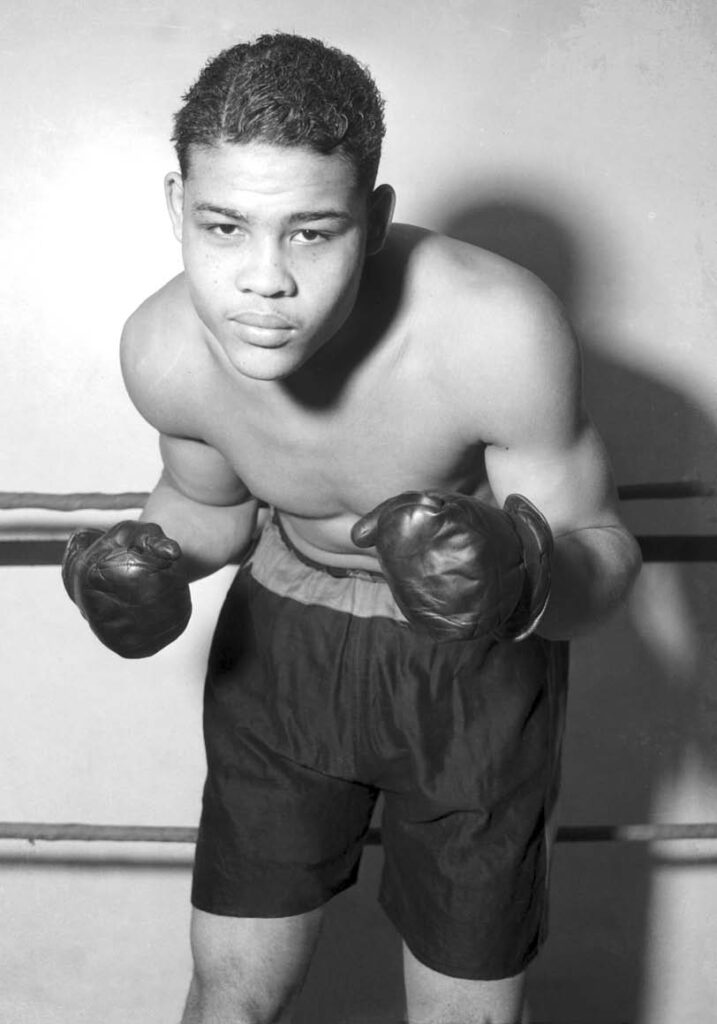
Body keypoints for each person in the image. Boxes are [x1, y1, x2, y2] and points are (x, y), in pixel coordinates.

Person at [62, 32, 641, 1024]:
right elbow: (206, 504)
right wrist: (142, 559)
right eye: (225, 226)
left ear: (370, 220)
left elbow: (608, 550)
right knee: (232, 984)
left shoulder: (493, 329)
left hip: (470, 666)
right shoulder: (163, 350)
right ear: (175, 210)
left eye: (310, 232)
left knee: (467, 1013)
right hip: (282, 643)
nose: (264, 279)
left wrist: (524, 574)